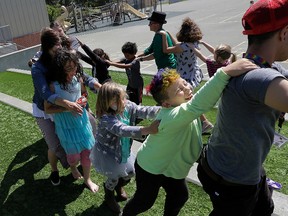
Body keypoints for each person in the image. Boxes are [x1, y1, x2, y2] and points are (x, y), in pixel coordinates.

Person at [122, 59, 257, 216]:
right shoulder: (172, 115)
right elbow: (198, 105)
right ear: (166, 104)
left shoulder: (183, 109)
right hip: (149, 167)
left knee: (179, 196)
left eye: (184, 83)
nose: (187, 89)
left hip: (170, 167)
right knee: (145, 201)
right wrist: (224, 72)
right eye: (179, 90)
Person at [197, 0, 288, 215]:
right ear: (284, 33)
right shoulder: (257, 77)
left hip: (231, 164)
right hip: (231, 179)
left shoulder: (262, 65)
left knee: (264, 208)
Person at [89, 81, 161, 213]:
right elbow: (122, 130)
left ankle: (117, 186)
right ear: (106, 103)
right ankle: (109, 193)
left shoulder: (127, 105)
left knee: (130, 173)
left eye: (122, 98)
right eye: (116, 101)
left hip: (123, 148)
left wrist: (162, 110)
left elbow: (143, 110)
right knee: (114, 176)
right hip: (109, 153)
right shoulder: (106, 118)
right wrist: (147, 129)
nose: (122, 102)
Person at [31, 28, 84, 186]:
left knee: (69, 139)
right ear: (47, 46)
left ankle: (73, 167)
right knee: (54, 145)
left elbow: (78, 72)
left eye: (60, 43)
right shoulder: (38, 68)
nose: (60, 48)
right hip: (44, 110)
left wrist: (92, 83)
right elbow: (45, 93)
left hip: (64, 107)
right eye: (56, 45)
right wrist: (68, 104)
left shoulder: (59, 58)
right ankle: (55, 170)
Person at [44, 49, 98, 192]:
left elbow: (84, 94)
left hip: (82, 122)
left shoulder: (78, 78)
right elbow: (47, 109)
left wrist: (83, 100)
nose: (73, 70)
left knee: (87, 152)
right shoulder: (53, 85)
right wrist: (68, 108)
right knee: (73, 157)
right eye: (68, 67)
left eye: (74, 66)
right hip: (65, 125)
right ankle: (73, 168)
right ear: (59, 68)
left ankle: (88, 179)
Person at [159, 17, 214, 134]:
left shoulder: (182, 47)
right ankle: (203, 122)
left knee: (188, 100)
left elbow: (166, 50)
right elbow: (177, 44)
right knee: (188, 99)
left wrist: (164, 35)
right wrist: (168, 33)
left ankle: (204, 122)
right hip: (194, 73)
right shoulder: (193, 44)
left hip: (185, 76)